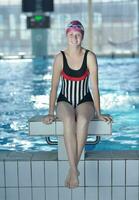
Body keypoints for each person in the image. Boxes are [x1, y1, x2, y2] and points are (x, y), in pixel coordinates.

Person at [42, 20, 112, 189]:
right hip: (64, 99)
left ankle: (72, 170)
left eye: (78, 35)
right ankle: (74, 169)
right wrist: (50, 112)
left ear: (82, 37)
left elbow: (94, 86)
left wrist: (98, 112)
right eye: (71, 35)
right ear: (66, 36)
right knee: (68, 120)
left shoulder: (89, 56)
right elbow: (54, 87)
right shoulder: (60, 58)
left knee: (82, 119)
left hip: (84, 99)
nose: (74, 38)